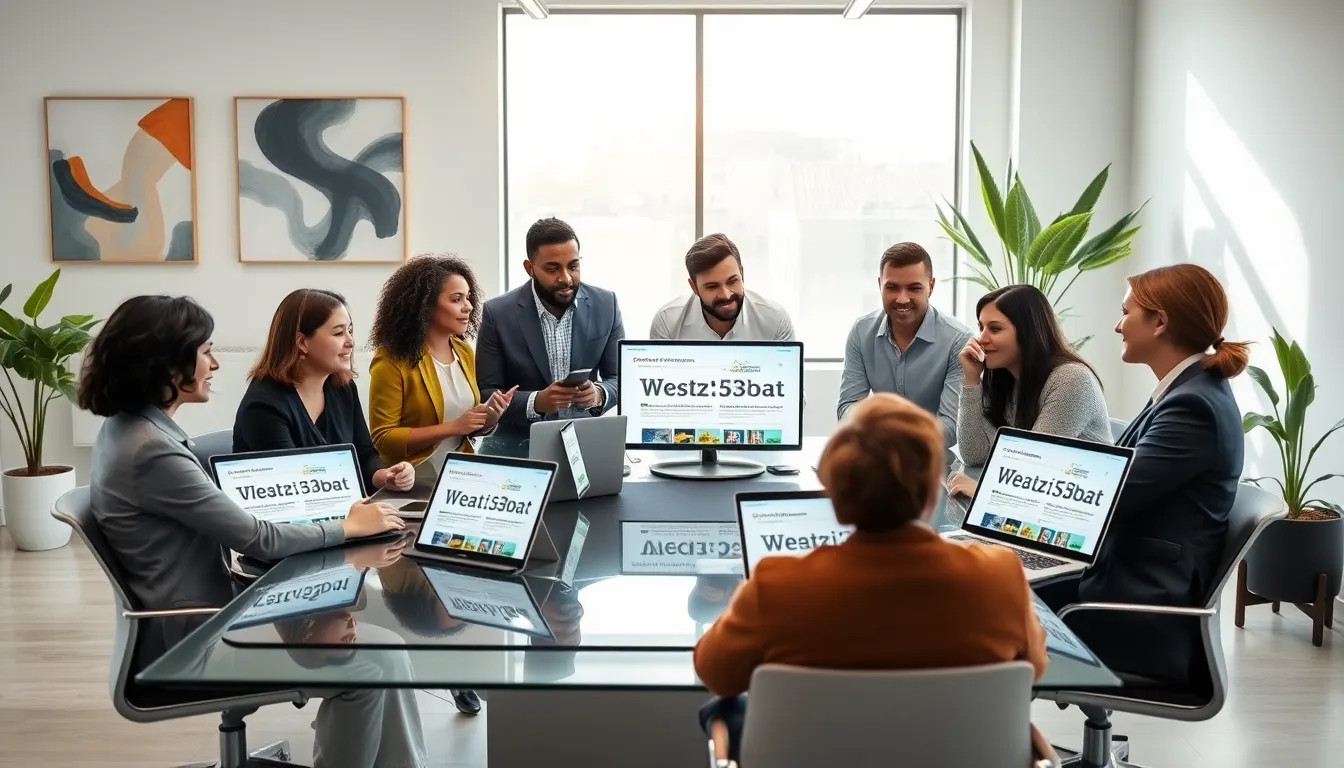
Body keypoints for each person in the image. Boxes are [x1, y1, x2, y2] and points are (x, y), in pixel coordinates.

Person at [79, 295, 425, 768]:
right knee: (374, 665)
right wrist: (346, 526)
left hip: (214, 614)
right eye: (204, 350)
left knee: (388, 653)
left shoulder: (135, 432)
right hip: (195, 641)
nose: (215, 363)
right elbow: (259, 538)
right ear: (164, 362)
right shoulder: (150, 451)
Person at [694, 393, 1049, 764]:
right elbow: (1034, 670)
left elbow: (716, 673)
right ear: (932, 489)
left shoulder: (776, 585)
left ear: (835, 491)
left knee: (724, 707)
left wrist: (740, 598)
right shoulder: (998, 576)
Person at [1038, 264, 1249, 684]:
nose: (1117, 326)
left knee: (982, 612)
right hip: (1116, 585)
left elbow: (1108, 499)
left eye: (1126, 313)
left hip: (1135, 616)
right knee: (989, 597)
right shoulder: (1184, 392)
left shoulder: (1194, 406)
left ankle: (1003, 746)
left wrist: (1017, 510)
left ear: (1160, 322)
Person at [233, 289, 415, 495]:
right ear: (302, 343)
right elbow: (297, 486)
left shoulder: (342, 387)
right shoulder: (264, 406)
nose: (350, 342)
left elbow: (363, 454)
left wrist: (386, 476)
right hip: (289, 521)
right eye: (338, 333)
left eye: (350, 331)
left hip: (334, 512)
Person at [947, 284, 1112, 498]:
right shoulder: (1004, 378)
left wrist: (981, 491)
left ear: (1028, 332)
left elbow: (1034, 467)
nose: (981, 339)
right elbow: (974, 454)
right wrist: (971, 380)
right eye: (981, 327)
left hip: (1076, 512)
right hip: (1039, 503)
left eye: (995, 329)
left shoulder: (1072, 379)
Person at [476, 217, 624, 431]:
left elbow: (619, 377)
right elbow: (487, 391)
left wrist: (599, 394)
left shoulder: (606, 305)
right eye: (552, 269)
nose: (566, 278)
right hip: (520, 442)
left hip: (586, 439)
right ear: (530, 268)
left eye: (573, 266)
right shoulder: (497, 313)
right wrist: (535, 402)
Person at [368, 254, 515, 468]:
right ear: (425, 306)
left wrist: (488, 418)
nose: (469, 306)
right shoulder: (391, 359)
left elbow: (465, 430)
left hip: (460, 475)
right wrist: (454, 427)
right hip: (413, 481)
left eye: (468, 297)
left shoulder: (464, 352)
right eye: (457, 299)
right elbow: (383, 438)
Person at [837, 242, 973, 449]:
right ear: (880, 284)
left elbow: (951, 428)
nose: (902, 299)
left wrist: (881, 433)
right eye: (892, 287)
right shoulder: (861, 331)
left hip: (932, 459)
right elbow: (847, 409)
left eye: (914, 288)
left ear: (931, 287)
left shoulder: (958, 340)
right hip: (878, 455)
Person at [648, 233, 795, 341]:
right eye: (712, 287)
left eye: (732, 281)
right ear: (694, 288)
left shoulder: (775, 319)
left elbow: (789, 382)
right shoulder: (667, 322)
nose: (725, 295)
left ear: (742, 275)